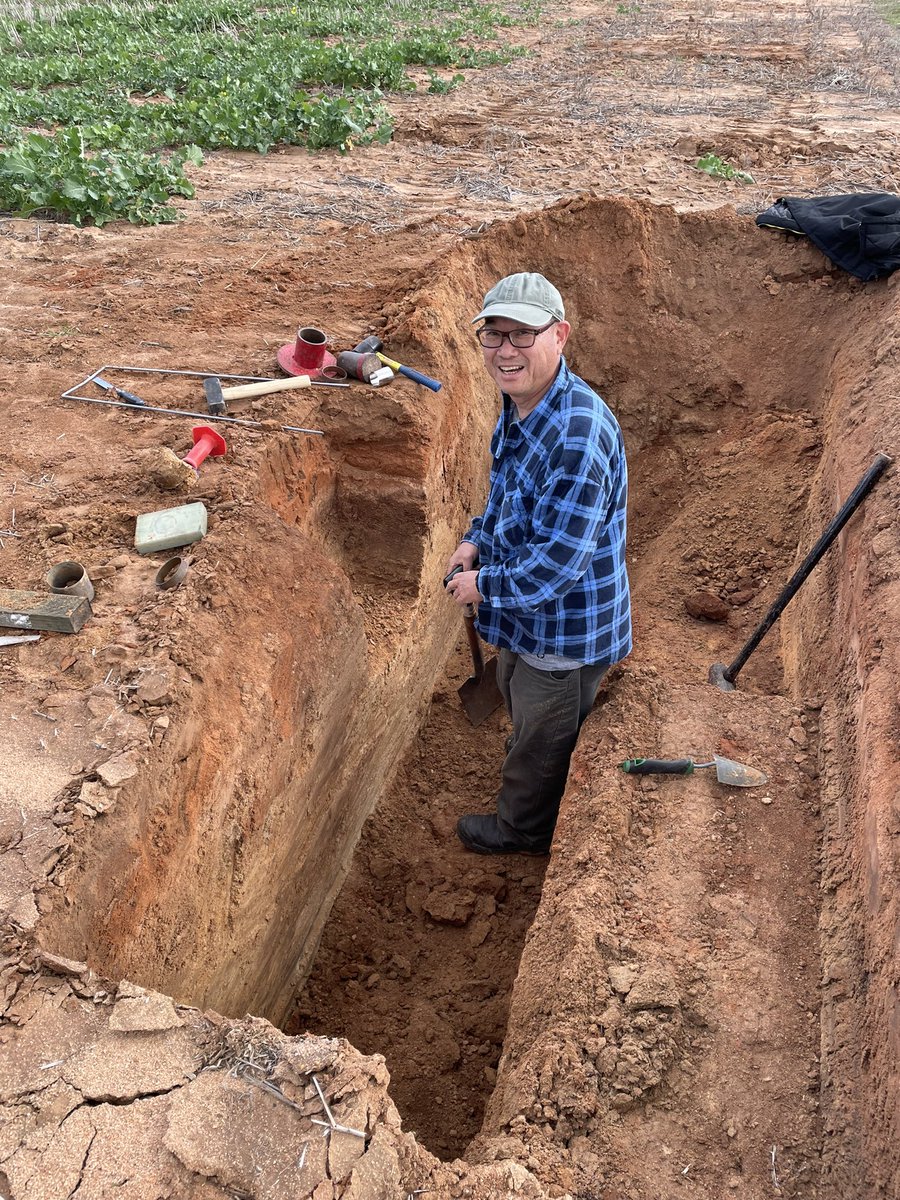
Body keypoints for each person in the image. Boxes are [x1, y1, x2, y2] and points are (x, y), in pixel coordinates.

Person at [444, 271, 631, 856]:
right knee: (518, 700)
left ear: (560, 335)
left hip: (563, 633)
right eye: (494, 336)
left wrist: (482, 586)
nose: (506, 351)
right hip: (525, 619)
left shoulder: (576, 437)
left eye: (522, 335)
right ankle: (531, 748)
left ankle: (523, 828)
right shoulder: (522, 403)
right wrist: (476, 540)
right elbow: (505, 497)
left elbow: (553, 568)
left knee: (542, 741)